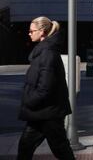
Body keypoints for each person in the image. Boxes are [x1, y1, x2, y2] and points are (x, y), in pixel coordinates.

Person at [17, 17, 75, 159]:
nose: (29, 33)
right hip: (41, 113)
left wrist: (30, 101)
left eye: (32, 31)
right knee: (25, 147)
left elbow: (45, 87)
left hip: (48, 113)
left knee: (60, 149)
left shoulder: (48, 53)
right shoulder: (43, 51)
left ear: (42, 32)